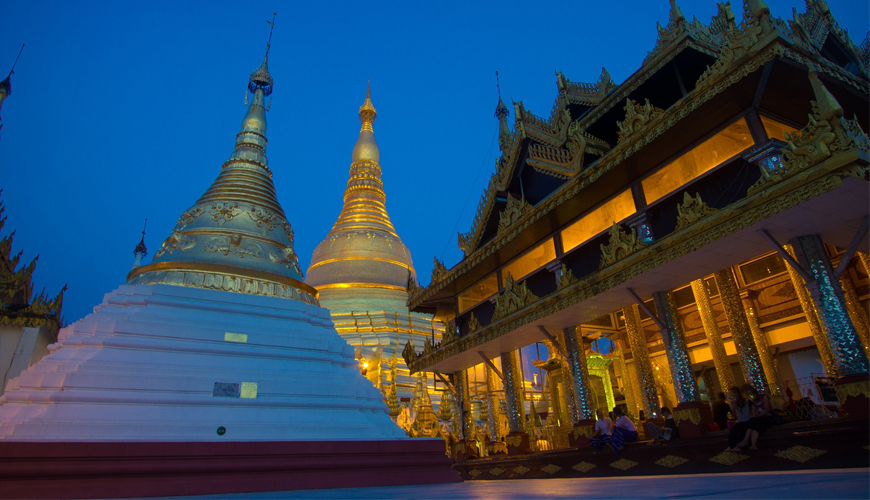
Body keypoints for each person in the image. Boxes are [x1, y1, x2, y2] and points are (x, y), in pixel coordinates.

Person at [733, 386, 773, 451]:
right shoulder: (753, 400)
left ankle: (746, 440)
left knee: (753, 422)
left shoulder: (763, 397)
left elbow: (767, 409)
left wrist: (759, 416)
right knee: (754, 426)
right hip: (757, 418)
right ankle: (753, 444)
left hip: (766, 416)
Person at [726, 386, 753, 451]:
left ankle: (739, 446)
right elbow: (732, 410)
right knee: (732, 430)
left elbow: (753, 410)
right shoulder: (735, 403)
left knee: (741, 429)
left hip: (747, 420)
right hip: (740, 421)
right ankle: (731, 446)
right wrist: (732, 404)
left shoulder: (747, 401)